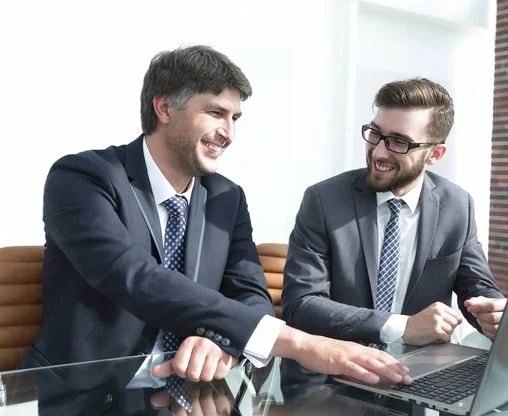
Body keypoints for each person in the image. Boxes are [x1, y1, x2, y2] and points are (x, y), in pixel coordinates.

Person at [17, 45, 410, 392]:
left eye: (235, 117)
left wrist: (222, 340)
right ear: (165, 107)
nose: (229, 133)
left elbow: (250, 293)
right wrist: (299, 343)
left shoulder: (227, 197)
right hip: (86, 396)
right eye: (216, 112)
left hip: (196, 395)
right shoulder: (84, 177)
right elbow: (136, 278)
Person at [282, 78, 507, 349]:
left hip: (420, 369)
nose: (378, 152)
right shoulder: (323, 200)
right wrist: (401, 327)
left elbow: (477, 288)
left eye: (399, 142)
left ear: (435, 154)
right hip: (334, 373)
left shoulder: (457, 205)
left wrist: (493, 312)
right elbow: (300, 304)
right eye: (375, 134)